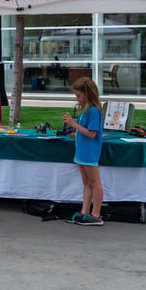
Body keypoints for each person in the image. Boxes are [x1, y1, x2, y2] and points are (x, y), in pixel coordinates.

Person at [62, 76, 104, 226]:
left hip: (89, 152)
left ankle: (96, 214)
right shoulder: (85, 110)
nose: (77, 98)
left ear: (88, 94)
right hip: (81, 151)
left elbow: (92, 133)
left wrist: (74, 124)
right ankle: (84, 212)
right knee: (86, 182)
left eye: (78, 95)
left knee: (94, 182)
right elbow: (84, 131)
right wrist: (75, 132)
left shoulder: (94, 111)